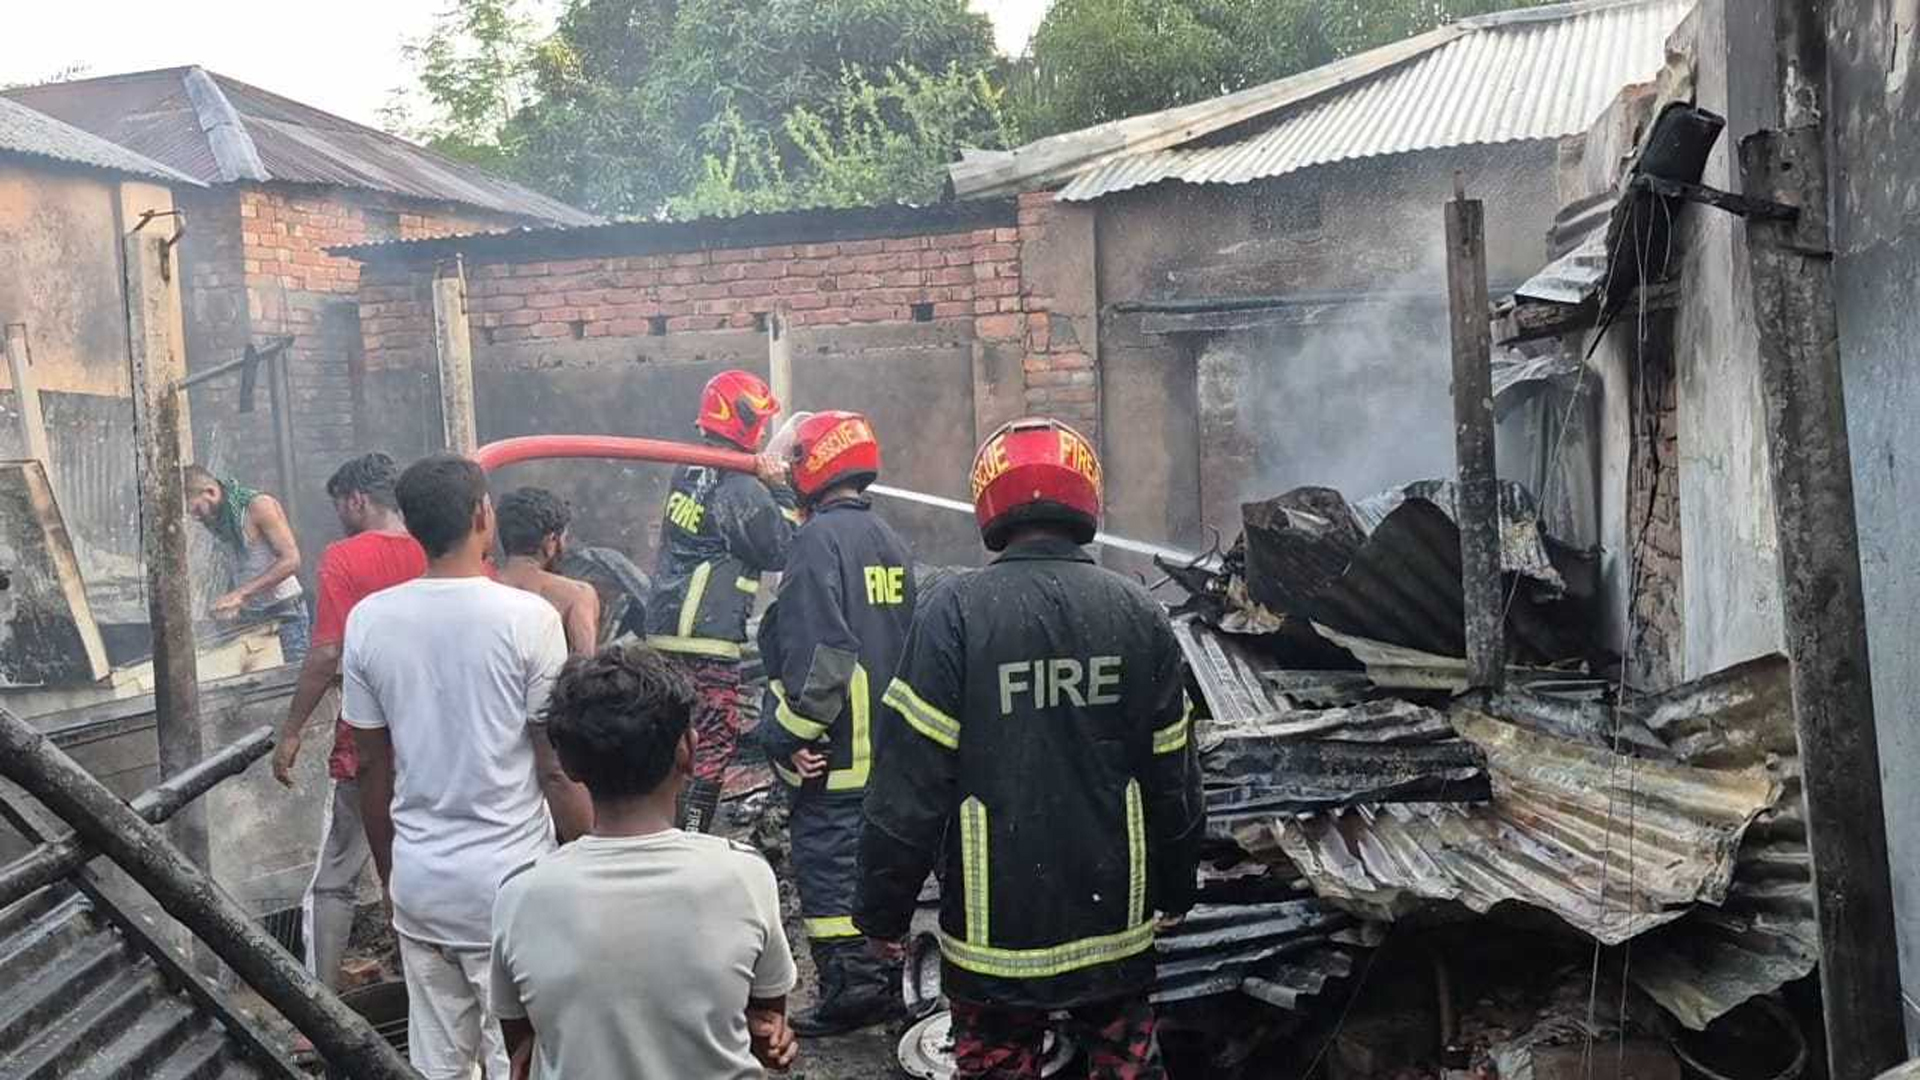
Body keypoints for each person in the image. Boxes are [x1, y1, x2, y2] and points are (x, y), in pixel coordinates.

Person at [856, 418, 1206, 1080]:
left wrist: (882, 911)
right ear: (1087, 496)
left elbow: (908, 784)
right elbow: (1174, 772)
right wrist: (1178, 884)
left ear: (988, 499)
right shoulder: (1137, 613)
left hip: (995, 943)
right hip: (1116, 930)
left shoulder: (953, 612)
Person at [343, 454, 593, 1080]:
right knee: (522, 1058)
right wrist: (592, 861)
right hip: (511, 887)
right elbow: (555, 768)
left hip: (423, 886)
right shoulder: (528, 619)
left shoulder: (369, 621)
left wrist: (392, 874)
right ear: (484, 516)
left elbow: (371, 768)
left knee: (439, 1065)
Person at [491, 644, 800, 1080]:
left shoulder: (520, 896)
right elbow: (766, 1019)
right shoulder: (744, 875)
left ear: (568, 762)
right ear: (688, 750)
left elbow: (524, 1044)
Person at [755, 411, 916, 1037]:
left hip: (834, 756)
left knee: (829, 874)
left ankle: (853, 995)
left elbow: (822, 658)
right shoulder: (888, 539)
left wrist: (786, 734)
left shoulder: (817, 543)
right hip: (888, 754)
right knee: (879, 872)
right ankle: (886, 984)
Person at [271, 453, 426, 997]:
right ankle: (424, 986)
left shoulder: (344, 558)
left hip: (367, 738)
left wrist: (291, 729)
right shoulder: (439, 548)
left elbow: (326, 652)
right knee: (420, 862)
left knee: (335, 877)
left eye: (339, 504)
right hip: (435, 737)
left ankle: (320, 1010)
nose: (337, 515)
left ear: (357, 499)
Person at [645, 369, 796, 832]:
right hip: (705, 634)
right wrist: (781, 491)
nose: (765, 432)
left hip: (668, 626)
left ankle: (660, 828)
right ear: (742, 420)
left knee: (671, 739)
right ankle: (690, 840)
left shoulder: (687, 466)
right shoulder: (739, 486)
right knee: (713, 739)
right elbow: (781, 548)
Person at [183, 464, 308, 661]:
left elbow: (292, 560)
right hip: (252, 617)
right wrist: (230, 603)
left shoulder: (258, 506)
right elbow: (242, 566)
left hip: (285, 613)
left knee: (293, 683)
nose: (195, 517)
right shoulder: (219, 521)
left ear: (211, 492)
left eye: (196, 509)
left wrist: (240, 594)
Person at [496, 486, 602, 656]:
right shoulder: (577, 596)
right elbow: (584, 668)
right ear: (551, 541)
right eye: (565, 538)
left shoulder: (474, 588)